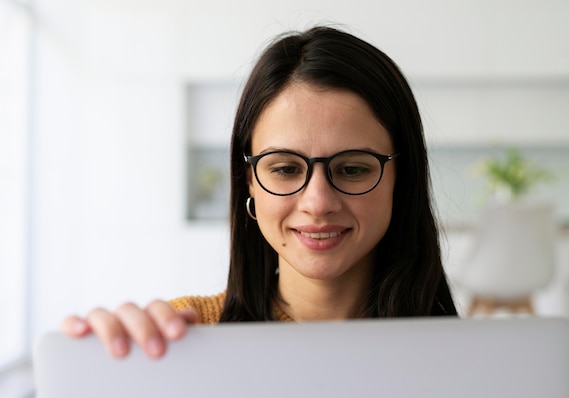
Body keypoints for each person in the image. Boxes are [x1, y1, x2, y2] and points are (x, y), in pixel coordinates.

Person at [61, 25, 458, 359]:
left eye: (353, 169)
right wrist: (107, 378)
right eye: (285, 168)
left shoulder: (469, 360)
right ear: (249, 180)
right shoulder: (180, 340)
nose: (318, 202)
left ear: (401, 180)